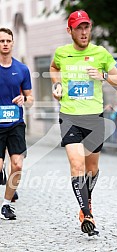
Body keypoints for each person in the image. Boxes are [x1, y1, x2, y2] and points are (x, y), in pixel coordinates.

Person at [50, 10, 117, 236]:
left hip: (94, 117)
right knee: (77, 165)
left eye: (86, 27)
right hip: (69, 116)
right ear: (69, 30)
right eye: (79, 27)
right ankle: (87, 213)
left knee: (91, 169)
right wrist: (57, 85)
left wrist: (102, 76)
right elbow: (54, 68)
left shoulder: (101, 53)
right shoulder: (61, 53)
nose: (83, 32)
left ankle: (86, 201)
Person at [0, 28, 34, 220]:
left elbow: (31, 99)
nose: (5, 44)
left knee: (18, 165)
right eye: (1, 40)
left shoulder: (22, 69)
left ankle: (6, 205)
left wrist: (24, 99)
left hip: (15, 123)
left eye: (8, 40)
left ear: (13, 43)